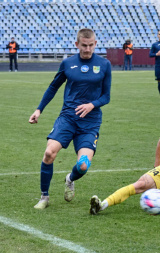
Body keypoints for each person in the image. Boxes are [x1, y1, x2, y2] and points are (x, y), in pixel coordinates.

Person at [29, 28, 112, 210]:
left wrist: (92, 104)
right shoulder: (67, 63)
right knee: (49, 153)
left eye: (91, 45)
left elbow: (106, 96)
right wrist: (38, 110)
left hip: (90, 123)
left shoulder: (104, 64)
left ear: (95, 44)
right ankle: (44, 197)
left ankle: (70, 179)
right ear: (77, 44)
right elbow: (53, 88)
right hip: (68, 118)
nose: (88, 49)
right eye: (84, 45)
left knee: (82, 166)